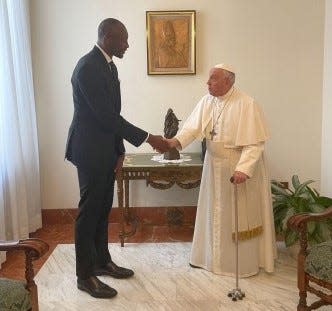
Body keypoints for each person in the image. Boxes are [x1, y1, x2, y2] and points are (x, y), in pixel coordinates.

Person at [65, 18, 169, 299]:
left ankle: (101, 261)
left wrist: (120, 152)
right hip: (89, 150)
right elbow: (108, 117)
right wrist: (151, 138)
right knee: (89, 213)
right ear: (106, 36)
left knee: (101, 209)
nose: (127, 44)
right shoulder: (88, 67)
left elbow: (112, 117)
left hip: (106, 151)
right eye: (122, 39)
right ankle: (84, 275)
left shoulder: (108, 66)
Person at [165, 64, 276, 277]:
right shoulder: (207, 101)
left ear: (228, 81)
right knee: (214, 213)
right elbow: (191, 127)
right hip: (212, 165)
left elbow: (255, 144)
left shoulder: (247, 103)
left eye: (213, 79)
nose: (207, 83)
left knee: (235, 217)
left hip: (237, 167)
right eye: (208, 79)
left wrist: (244, 169)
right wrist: (174, 141)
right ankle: (210, 260)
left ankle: (239, 264)